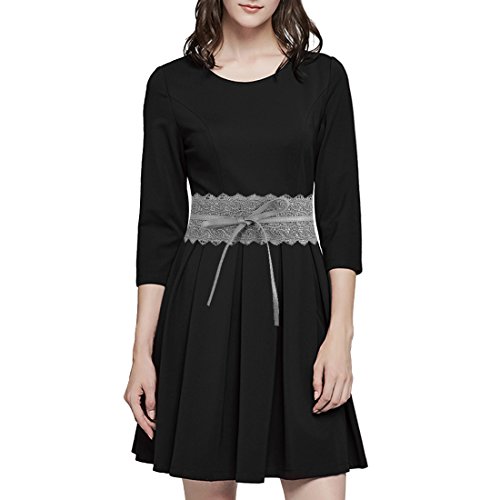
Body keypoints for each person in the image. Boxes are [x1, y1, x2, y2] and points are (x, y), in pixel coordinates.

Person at [124, 1, 368, 498]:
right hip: (204, 313)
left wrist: (340, 335)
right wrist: (141, 354)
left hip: (299, 310)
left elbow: (342, 217)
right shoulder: (171, 85)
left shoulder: (323, 79)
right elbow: (159, 228)